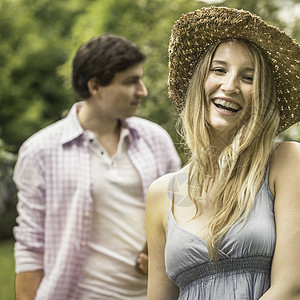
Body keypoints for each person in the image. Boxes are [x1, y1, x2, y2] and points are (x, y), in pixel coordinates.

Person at [146, 6, 300, 300]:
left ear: (263, 96)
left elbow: (290, 290)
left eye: (248, 78)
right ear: (200, 81)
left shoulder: (287, 162)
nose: (230, 86)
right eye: (219, 70)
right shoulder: (162, 194)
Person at [13, 34, 181, 300]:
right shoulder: (40, 151)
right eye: (130, 82)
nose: (143, 90)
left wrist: (164, 253)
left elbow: (180, 216)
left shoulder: (156, 140)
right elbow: (30, 246)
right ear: (95, 86)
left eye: (140, 78)